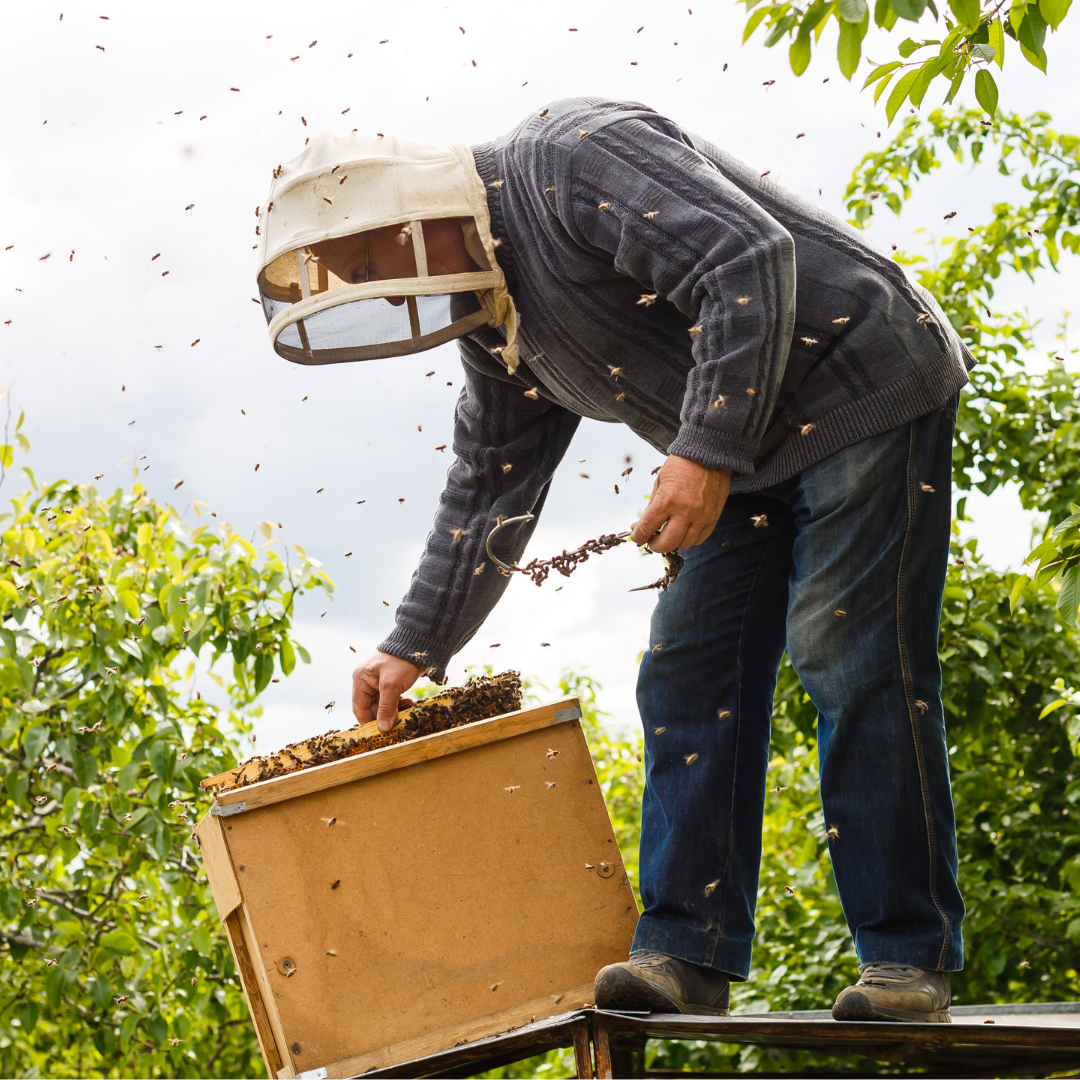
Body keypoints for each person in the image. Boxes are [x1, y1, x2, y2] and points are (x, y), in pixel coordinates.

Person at [255, 97, 970, 1024]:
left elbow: (748, 259)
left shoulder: (571, 158)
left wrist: (704, 450)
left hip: (859, 381)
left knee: (846, 652)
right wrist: (414, 646)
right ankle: (686, 953)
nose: (378, 290)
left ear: (407, 216)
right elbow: (489, 482)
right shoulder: (495, 324)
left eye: (363, 265)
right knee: (686, 671)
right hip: (748, 447)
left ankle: (906, 960)